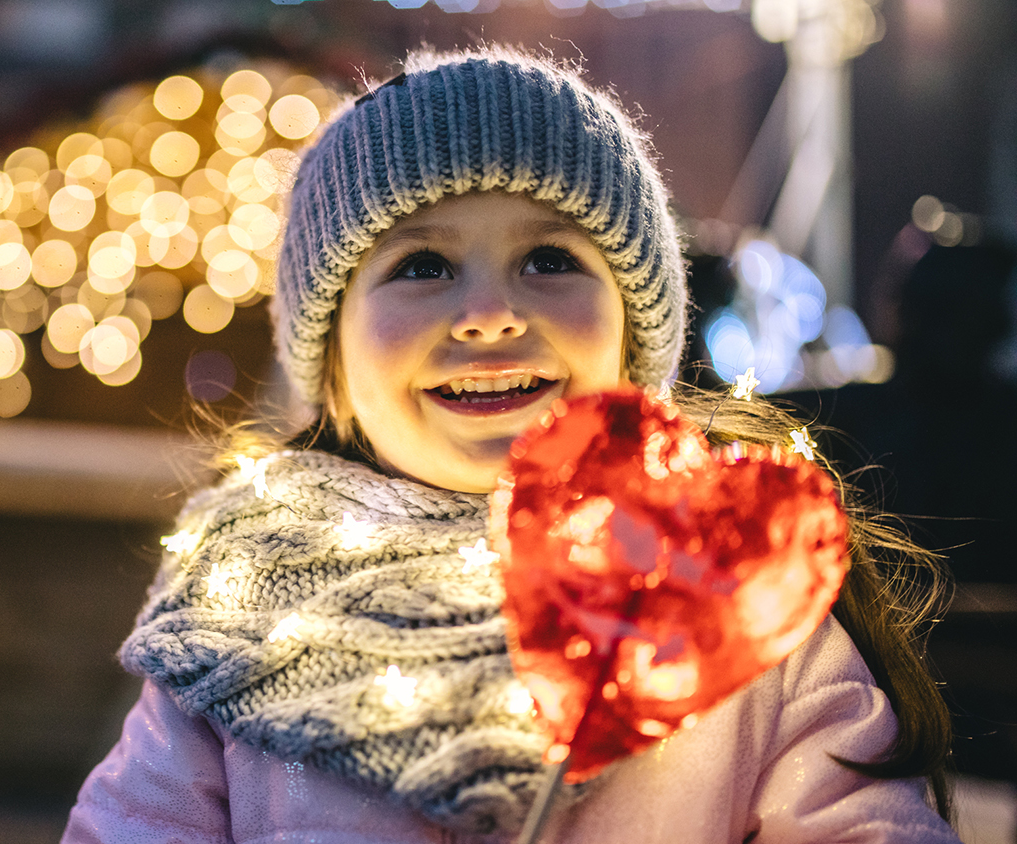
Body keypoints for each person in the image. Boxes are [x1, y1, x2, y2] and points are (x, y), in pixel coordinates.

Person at [62, 46, 959, 843]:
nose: (490, 315)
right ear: (331, 358)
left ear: (635, 333)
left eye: (550, 260)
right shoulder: (242, 612)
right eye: (422, 267)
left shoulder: (731, 583)